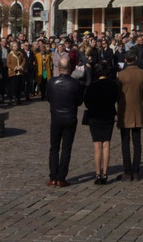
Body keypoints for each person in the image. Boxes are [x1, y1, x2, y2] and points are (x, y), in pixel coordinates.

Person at [45, 52, 85, 187]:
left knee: (54, 147)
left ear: (58, 67)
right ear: (70, 67)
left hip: (56, 116)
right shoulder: (75, 83)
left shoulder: (51, 82)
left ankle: (53, 177)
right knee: (66, 148)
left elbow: (49, 98)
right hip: (69, 116)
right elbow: (79, 101)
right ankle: (61, 177)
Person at [83, 59, 120, 184]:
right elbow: (116, 98)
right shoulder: (113, 85)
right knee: (106, 144)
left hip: (95, 117)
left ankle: (98, 174)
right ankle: (105, 173)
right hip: (108, 116)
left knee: (97, 145)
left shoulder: (92, 86)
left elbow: (86, 102)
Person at [116, 48, 143, 181]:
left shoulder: (121, 75)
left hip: (124, 111)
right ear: (135, 59)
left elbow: (118, 94)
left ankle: (127, 170)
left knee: (125, 142)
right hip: (137, 109)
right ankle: (136, 171)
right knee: (137, 142)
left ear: (125, 60)